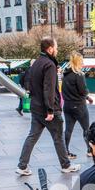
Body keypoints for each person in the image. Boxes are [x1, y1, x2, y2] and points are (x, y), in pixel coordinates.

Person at [16, 37, 80, 176]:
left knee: (32, 137)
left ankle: (22, 166)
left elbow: (29, 84)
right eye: (56, 47)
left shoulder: (36, 63)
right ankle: (66, 165)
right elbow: (49, 88)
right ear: (50, 48)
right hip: (49, 110)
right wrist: (50, 109)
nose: (57, 50)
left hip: (36, 108)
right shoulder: (49, 65)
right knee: (58, 138)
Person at [62, 52, 94, 159]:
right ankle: (90, 150)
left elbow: (70, 90)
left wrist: (87, 97)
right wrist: (87, 94)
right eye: (81, 61)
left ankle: (65, 151)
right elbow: (82, 91)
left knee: (68, 130)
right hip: (79, 106)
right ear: (77, 62)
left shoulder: (65, 74)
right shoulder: (79, 75)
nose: (83, 63)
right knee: (86, 129)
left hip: (67, 106)